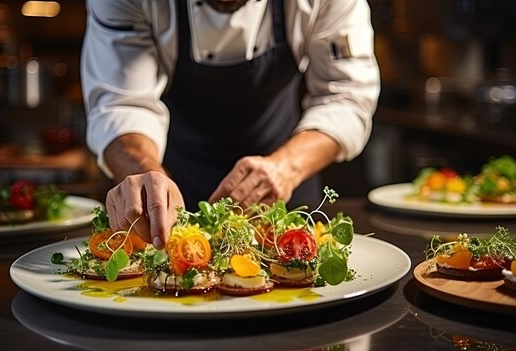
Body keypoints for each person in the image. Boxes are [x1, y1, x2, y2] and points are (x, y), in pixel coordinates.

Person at [81, 0, 380, 249]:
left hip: (285, 204)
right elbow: (120, 103)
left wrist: (285, 167)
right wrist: (144, 173)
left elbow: (347, 95)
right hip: (171, 194)